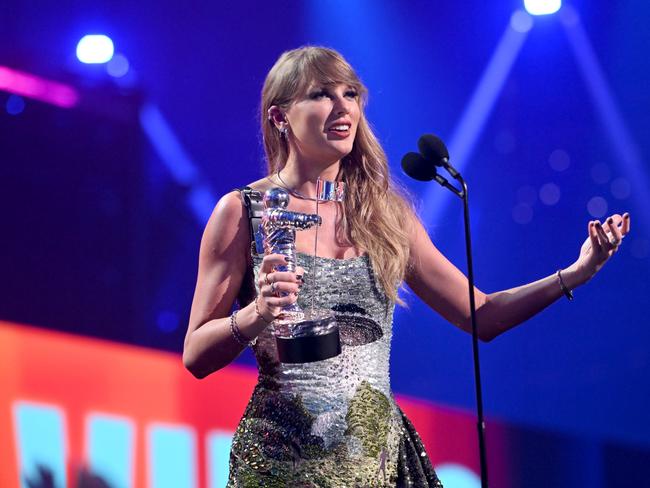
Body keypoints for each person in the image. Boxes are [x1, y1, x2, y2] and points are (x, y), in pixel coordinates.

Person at [182, 46, 630, 487]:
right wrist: (256, 313)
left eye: (350, 94)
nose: (342, 108)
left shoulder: (387, 217)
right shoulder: (243, 212)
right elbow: (196, 356)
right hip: (283, 465)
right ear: (280, 117)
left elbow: (483, 315)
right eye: (321, 94)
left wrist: (576, 272)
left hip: (379, 465)